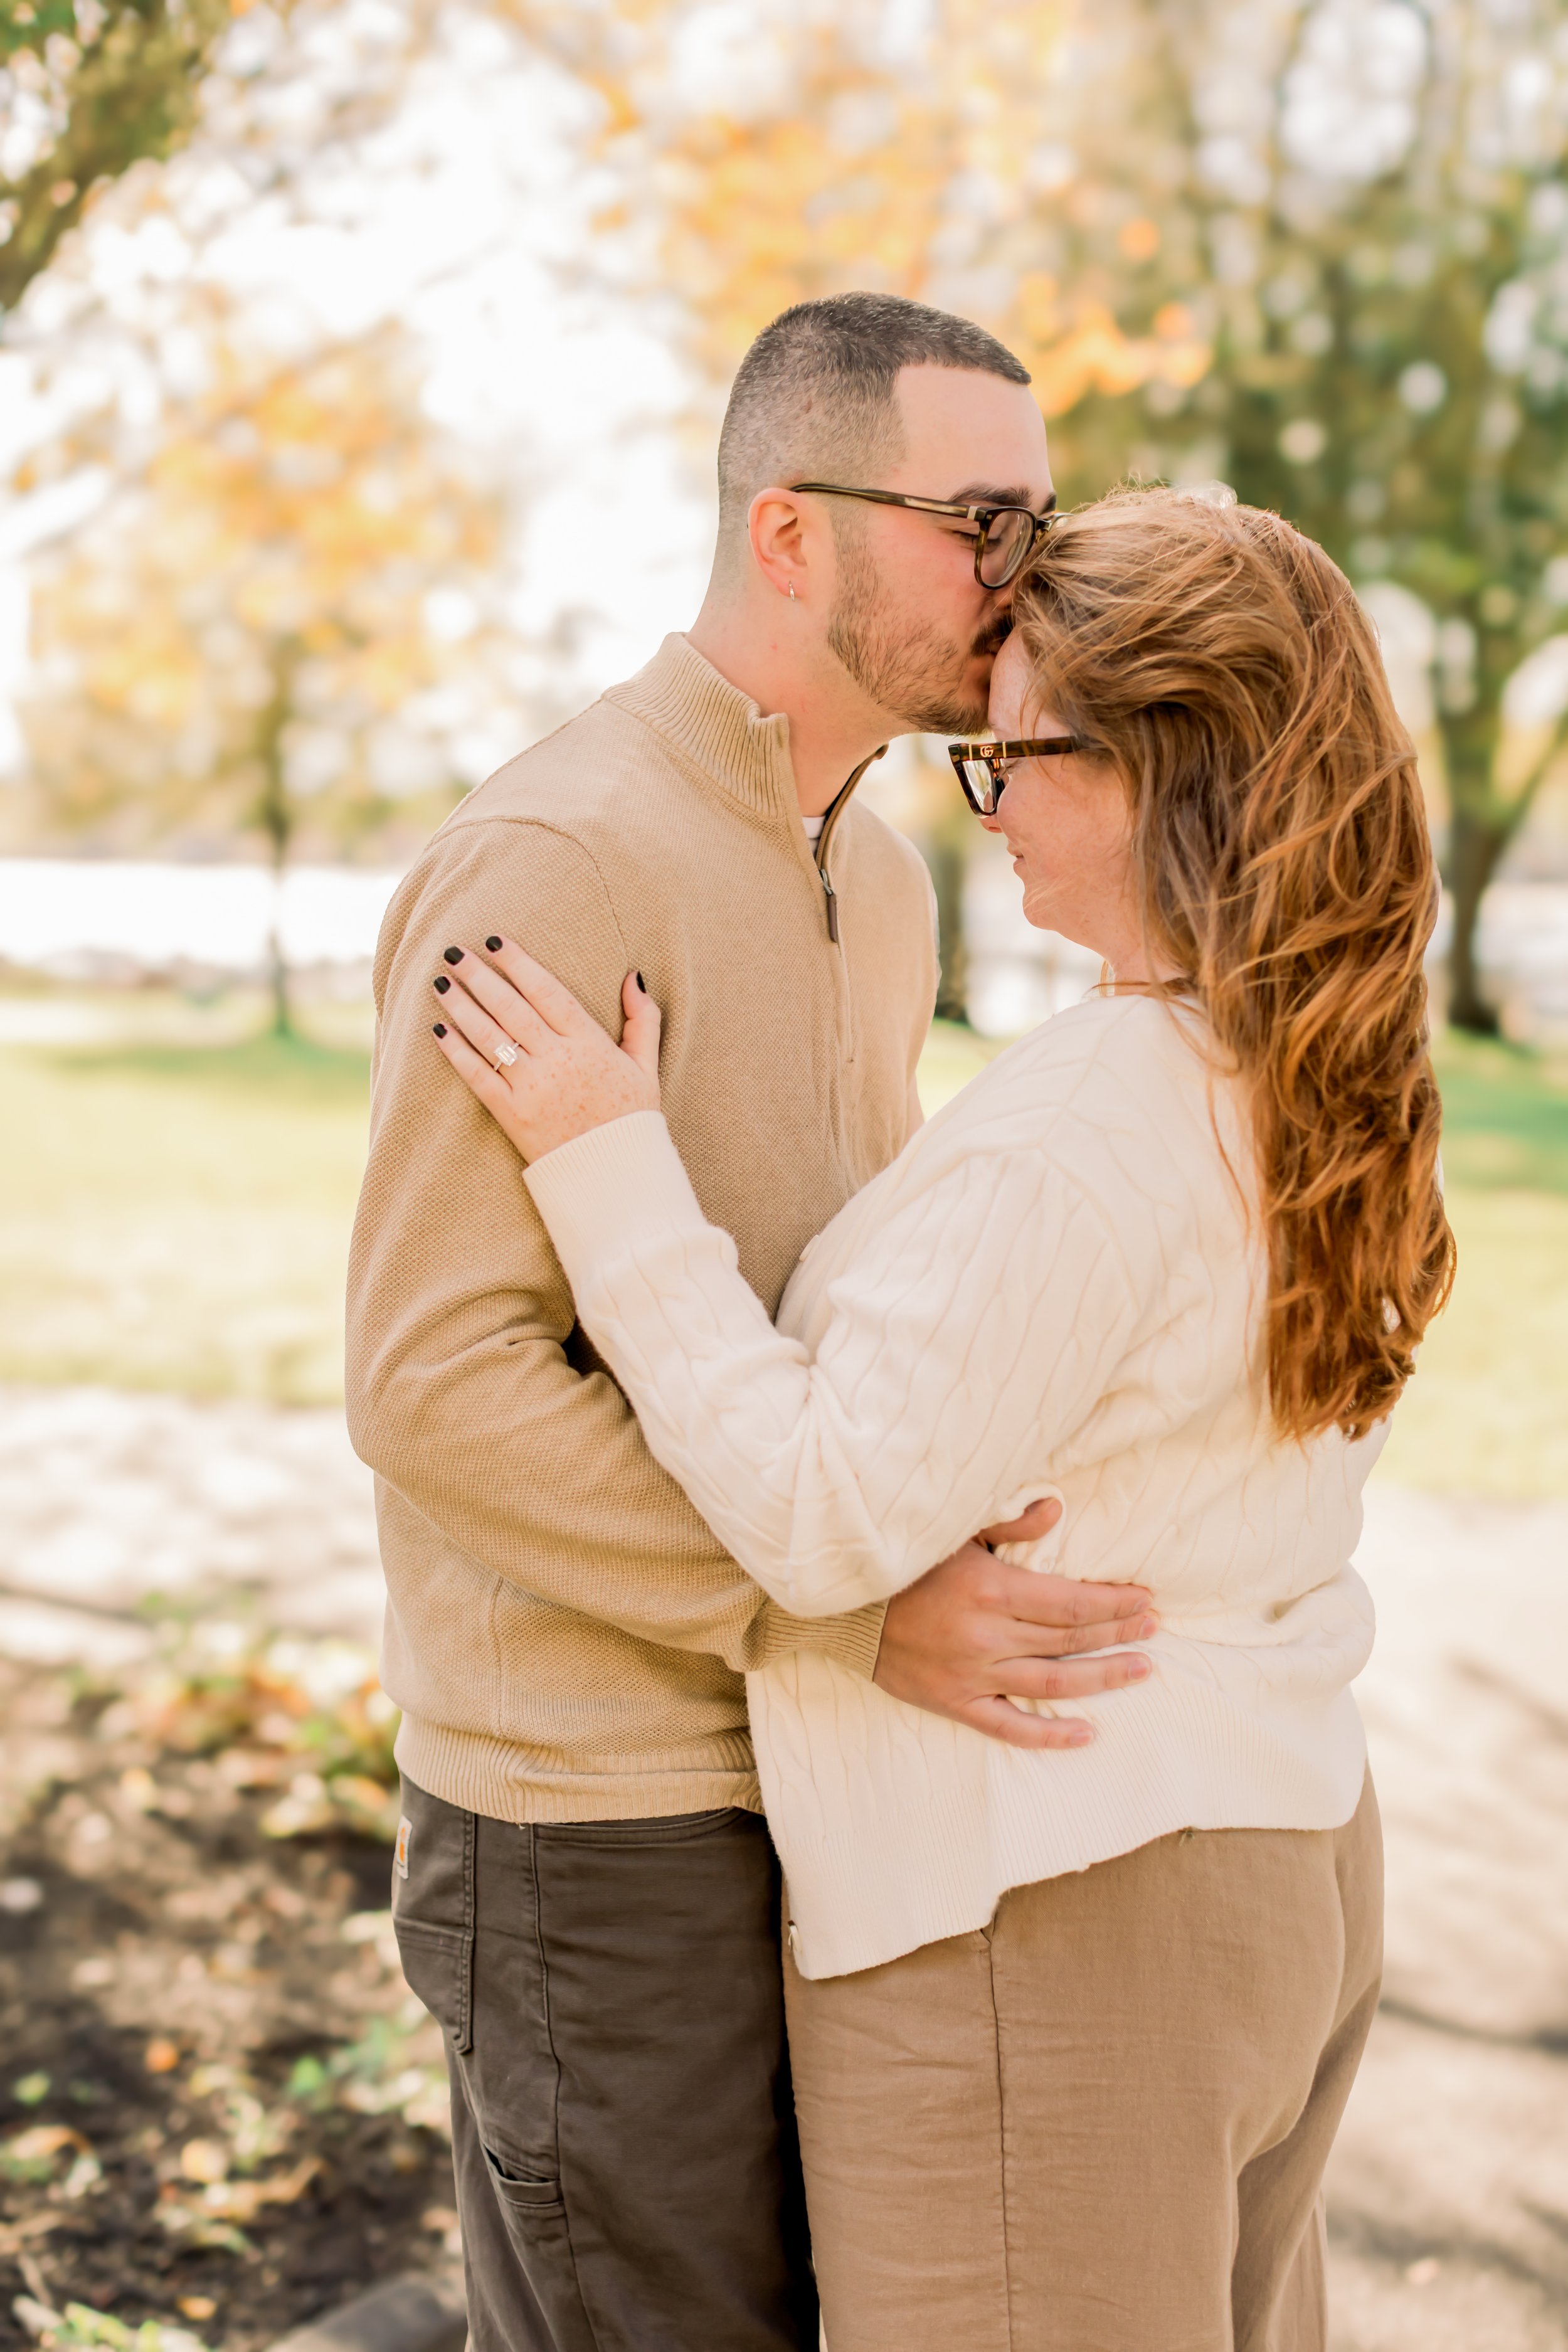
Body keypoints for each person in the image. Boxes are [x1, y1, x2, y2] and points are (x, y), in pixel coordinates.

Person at [429, 484, 1456, 2352]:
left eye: (1016, 757)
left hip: (1054, 1912)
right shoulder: (1296, 1063)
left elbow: (824, 1517)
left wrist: (607, 1169)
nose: (985, 810)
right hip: (1270, 1862)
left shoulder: (1097, 1118)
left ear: (1166, 764)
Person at [344, 294, 1158, 2352]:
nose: (1027, 573)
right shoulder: (553, 857)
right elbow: (430, 1381)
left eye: (1042, 516)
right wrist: (826, 1614)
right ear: (788, 531)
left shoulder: (880, 881)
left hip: (810, 1792)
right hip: (588, 1832)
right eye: (982, 516)